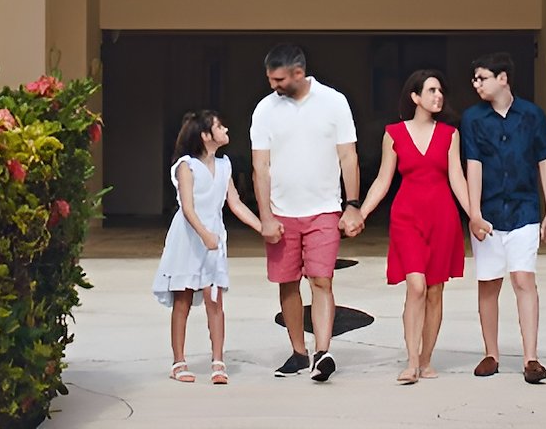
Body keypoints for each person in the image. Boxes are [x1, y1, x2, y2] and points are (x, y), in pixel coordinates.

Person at [251, 44, 362, 382]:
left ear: (298, 73)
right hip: (281, 213)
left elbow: (348, 157)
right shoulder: (265, 110)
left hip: (324, 209)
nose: (273, 85)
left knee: (321, 279)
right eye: (270, 79)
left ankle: (322, 352)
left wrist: (352, 205)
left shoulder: (334, 101)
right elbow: (260, 167)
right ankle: (298, 352)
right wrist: (266, 217)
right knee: (287, 282)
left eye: (279, 79)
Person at [356, 69, 470, 385]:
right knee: (416, 285)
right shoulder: (394, 133)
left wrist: (474, 215)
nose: (438, 96)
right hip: (407, 216)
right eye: (432, 90)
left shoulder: (449, 134)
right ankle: (411, 361)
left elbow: (457, 178)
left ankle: (426, 359)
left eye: (441, 91)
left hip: (442, 217)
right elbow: (383, 179)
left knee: (435, 290)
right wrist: (361, 213)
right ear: (415, 97)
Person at [460, 52, 546, 384]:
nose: (476, 84)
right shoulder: (472, 119)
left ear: (502, 78)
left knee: (523, 279)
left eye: (482, 78)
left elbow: (544, 162)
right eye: (474, 79)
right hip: (489, 214)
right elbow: (473, 166)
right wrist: (474, 214)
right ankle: (491, 354)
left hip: (525, 210)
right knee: (489, 283)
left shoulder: (532, 115)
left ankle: (531, 358)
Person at [152, 110, 263, 385]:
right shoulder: (186, 166)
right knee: (183, 299)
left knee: (215, 300)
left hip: (213, 238)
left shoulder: (225, 166)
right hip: (188, 238)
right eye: (219, 126)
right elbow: (188, 208)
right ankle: (178, 362)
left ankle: (218, 361)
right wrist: (204, 235)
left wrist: (262, 228)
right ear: (205, 135)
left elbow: (235, 203)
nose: (225, 129)